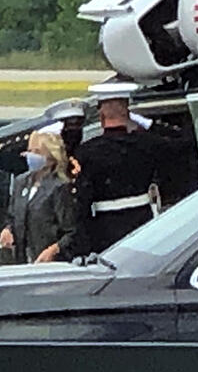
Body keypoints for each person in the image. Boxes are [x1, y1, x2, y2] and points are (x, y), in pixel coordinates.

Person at [73, 83, 177, 253]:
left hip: (104, 229)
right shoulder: (147, 144)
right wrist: (149, 124)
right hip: (142, 223)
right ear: (128, 111)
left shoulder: (86, 152)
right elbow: (181, 144)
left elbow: (82, 202)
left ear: (101, 114)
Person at [0, 131, 85, 263]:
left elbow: (72, 231)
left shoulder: (59, 187)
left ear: (51, 158)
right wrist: (8, 229)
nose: (31, 155)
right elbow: (12, 216)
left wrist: (54, 249)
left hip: (49, 261)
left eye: (37, 152)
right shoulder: (21, 182)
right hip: (22, 259)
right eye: (30, 151)